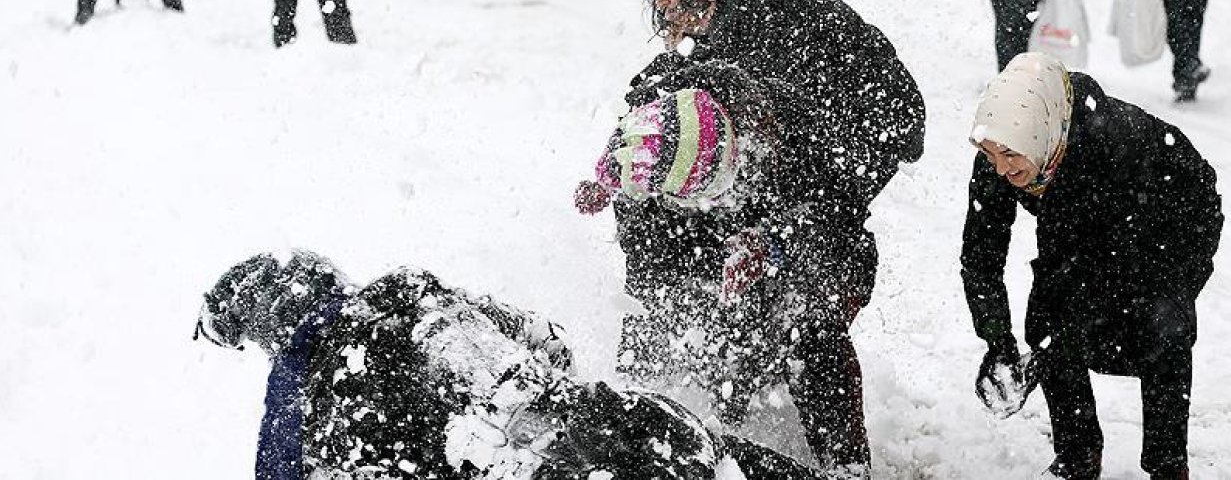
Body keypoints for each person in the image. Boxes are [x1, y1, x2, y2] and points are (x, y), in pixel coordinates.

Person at [593, 0, 925, 477]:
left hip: (823, 204)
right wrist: (622, 174)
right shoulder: (706, 39)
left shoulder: (783, 25)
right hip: (751, 197)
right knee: (674, 288)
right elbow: (654, 139)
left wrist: (784, 229)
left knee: (803, 316)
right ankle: (682, 424)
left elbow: (902, 120)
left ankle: (843, 464)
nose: (665, 19)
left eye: (665, 2)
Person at [195, 249, 842, 480]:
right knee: (714, 458)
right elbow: (549, 338)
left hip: (549, 470)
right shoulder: (409, 288)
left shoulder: (326, 413)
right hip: (625, 420)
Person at [577, 61, 890, 479]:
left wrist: (773, 243)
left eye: (723, 181)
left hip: (808, 249)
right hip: (704, 246)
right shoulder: (642, 170)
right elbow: (647, 296)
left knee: (807, 330)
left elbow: (843, 223)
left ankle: (846, 466)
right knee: (687, 334)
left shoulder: (791, 124)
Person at [960, 52, 1222, 480]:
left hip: (1168, 219)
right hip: (1091, 227)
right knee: (1047, 321)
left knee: (1161, 327)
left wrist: (1179, 289)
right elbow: (980, 255)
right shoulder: (1004, 147)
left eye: (1008, 155)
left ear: (1040, 134)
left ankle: (1168, 464)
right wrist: (997, 340)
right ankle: (1078, 456)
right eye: (990, 154)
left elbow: (1088, 265)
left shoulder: (1110, 142)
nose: (1001, 168)